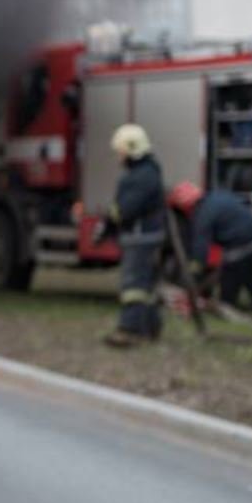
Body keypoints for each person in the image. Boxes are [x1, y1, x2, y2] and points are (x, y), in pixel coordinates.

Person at [168, 182, 252, 316]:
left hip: (245, 244)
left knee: (230, 275)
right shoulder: (215, 198)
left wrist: (195, 274)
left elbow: (201, 249)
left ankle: (227, 306)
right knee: (250, 276)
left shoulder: (203, 215)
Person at [102, 124, 166, 348]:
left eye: (120, 151)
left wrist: (108, 222)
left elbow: (125, 209)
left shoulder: (138, 177)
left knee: (133, 287)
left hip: (140, 238)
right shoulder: (150, 171)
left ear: (130, 150)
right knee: (146, 288)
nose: (118, 156)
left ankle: (128, 331)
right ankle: (150, 329)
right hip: (149, 236)